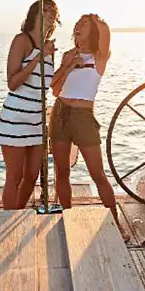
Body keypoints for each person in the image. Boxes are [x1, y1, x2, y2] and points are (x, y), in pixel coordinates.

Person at [50, 14, 130, 241]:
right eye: (76, 24)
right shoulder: (68, 55)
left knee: (98, 174)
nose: (77, 27)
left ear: (93, 31)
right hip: (60, 113)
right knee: (62, 171)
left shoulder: (99, 57)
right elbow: (55, 89)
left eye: (83, 25)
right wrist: (67, 66)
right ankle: (66, 218)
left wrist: (95, 19)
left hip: (84, 117)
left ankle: (116, 223)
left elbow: (106, 33)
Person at [0, 0, 59, 209]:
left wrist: (66, 65)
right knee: (14, 176)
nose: (50, 15)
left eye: (54, 12)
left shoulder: (49, 48)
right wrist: (39, 57)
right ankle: (7, 218)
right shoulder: (22, 40)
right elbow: (13, 83)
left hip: (37, 120)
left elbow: (49, 85)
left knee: (31, 177)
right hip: (15, 119)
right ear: (34, 15)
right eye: (46, 11)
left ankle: (18, 213)